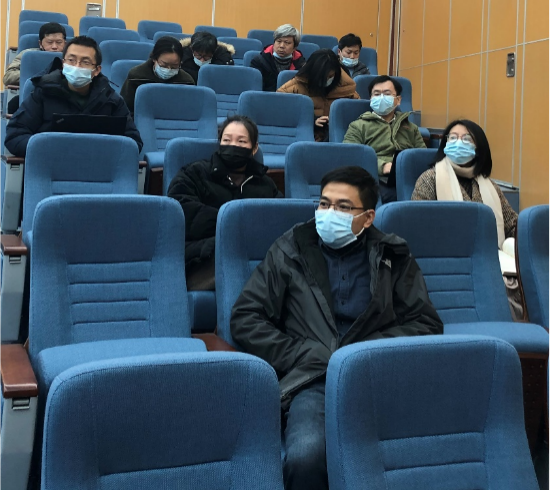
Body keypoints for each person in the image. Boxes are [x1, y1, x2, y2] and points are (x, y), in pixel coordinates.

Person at [230, 166, 443, 490]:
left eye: (343, 207)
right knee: (306, 457)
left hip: (376, 374)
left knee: (423, 454)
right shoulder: (291, 249)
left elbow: (426, 322)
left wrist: (367, 352)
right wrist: (301, 353)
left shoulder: (393, 255)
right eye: (324, 204)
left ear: (367, 218)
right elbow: (246, 316)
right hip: (312, 378)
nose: (329, 213)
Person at [411, 119, 522, 318]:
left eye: (466, 139)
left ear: (478, 147)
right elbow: (419, 230)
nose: (458, 143)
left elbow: (512, 224)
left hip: (489, 259)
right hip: (448, 263)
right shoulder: (429, 179)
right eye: (453, 138)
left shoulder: (489, 185)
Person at [167, 115, 282, 290]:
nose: (233, 146)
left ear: (254, 148)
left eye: (241, 141)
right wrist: (233, 223)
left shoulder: (265, 183)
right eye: (227, 140)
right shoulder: (195, 172)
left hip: (252, 256)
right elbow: (182, 211)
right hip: (204, 257)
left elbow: (279, 218)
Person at [5, 36, 143, 157]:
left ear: (97, 70)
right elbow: (15, 136)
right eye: (71, 60)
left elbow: (133, 142)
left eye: (85, 62)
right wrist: (49, 148)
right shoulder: (44, 93)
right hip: (50, 168)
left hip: (98, 171)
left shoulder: (112, 100)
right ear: (63, 63)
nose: (77, 66)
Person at [343, 75, 426, 202]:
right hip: (376, 179)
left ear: (398, 100)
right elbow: (351, 156)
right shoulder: (358, 126)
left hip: (409, 178)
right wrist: (383, 166)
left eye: (387, 94)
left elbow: (422, 156)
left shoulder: (411, 128)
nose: (381, 97)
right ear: (371, 99)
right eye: (376, 94)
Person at [277, 49, 359, 141]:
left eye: (330, 76)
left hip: (338, 139)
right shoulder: (294, 87)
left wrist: (336, 121)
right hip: (305, 139)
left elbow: (358, 116)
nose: (327, 80)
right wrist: (311, 121)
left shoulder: (347, 88)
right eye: (323, 77)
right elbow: (280, 113)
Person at [3, 22, 67, 114]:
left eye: (59, 42)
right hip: (33, 94)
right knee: (14, 103)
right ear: (40, 43)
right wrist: (37, 76)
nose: (54, 47)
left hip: (63, 96)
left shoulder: (71, 58)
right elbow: (8, 76)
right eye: (49, 42)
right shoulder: (27, 55)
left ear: (65, 43)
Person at [120, 36, 194, 115]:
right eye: (164, 65)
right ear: (154, 58)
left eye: (174, 66)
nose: (169, 69)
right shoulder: (136, 77)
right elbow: (125, 109)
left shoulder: (187, 82)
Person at [250, 24, 306, 92]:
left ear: (295, 47)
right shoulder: (258, 61)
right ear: (274, 43)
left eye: (287, 43)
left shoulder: (302, 65)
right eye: (279, 41)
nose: (282, 46)